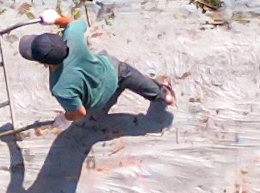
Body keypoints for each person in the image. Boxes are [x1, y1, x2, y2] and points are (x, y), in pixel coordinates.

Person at [18, 10, 168, 120]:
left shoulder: (59, 88)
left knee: (89, 103)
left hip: (97, 101)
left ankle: (109, 99)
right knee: (130, 75)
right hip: (111, 72)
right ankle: (162, 95)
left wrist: (67, 116)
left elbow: (80, 113)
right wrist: (56, 19)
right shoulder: (72, 38)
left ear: (42, 62)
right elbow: (78, 23)